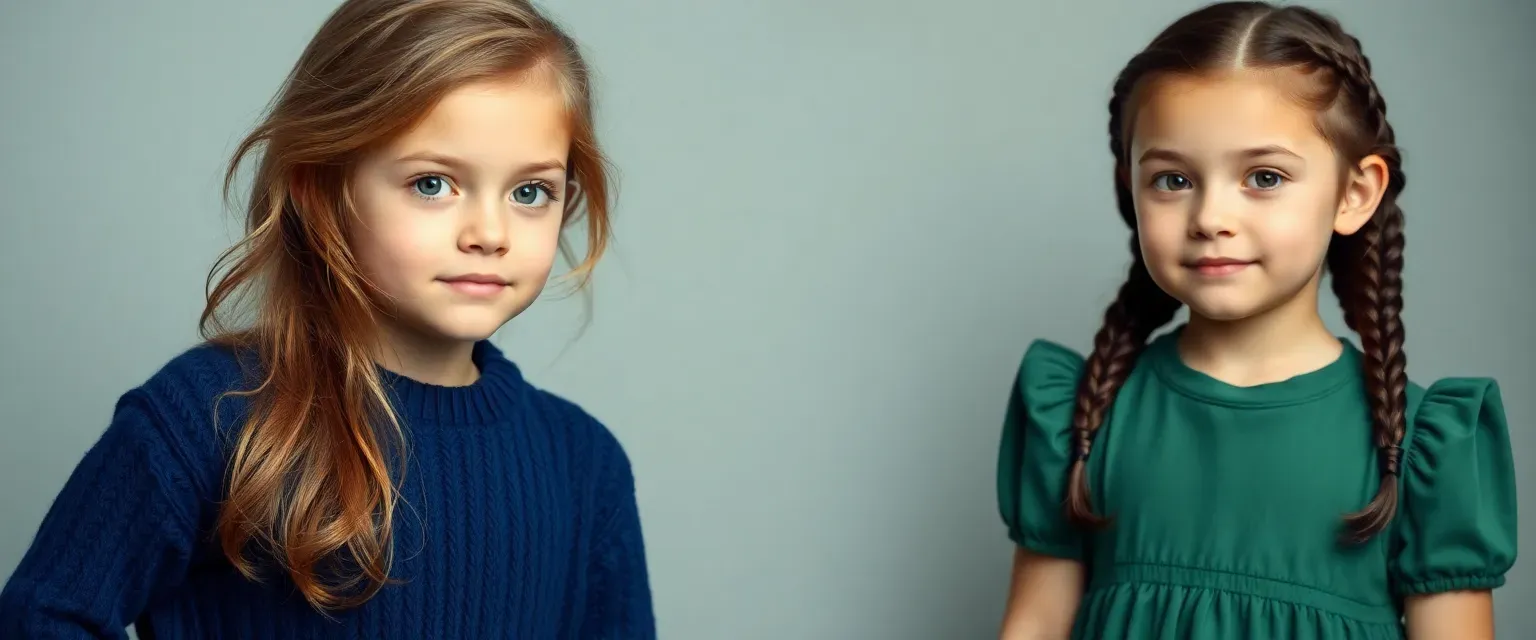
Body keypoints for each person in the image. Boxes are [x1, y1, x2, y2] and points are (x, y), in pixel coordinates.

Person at [0, 0, 655, 637]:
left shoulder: (585, 465)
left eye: (529, 191)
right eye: (433, 184)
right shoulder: (211, 415)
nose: (490, 231)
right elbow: (42, 616)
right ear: (323, 190)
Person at [994, 3, 1517, 638]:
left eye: (1263, 177)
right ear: (1128, 187)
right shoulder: (1079, 421)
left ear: (1354, 194)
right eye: (1173, 179)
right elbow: (1033, 627)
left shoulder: (1422, 446)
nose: (1211, 215)